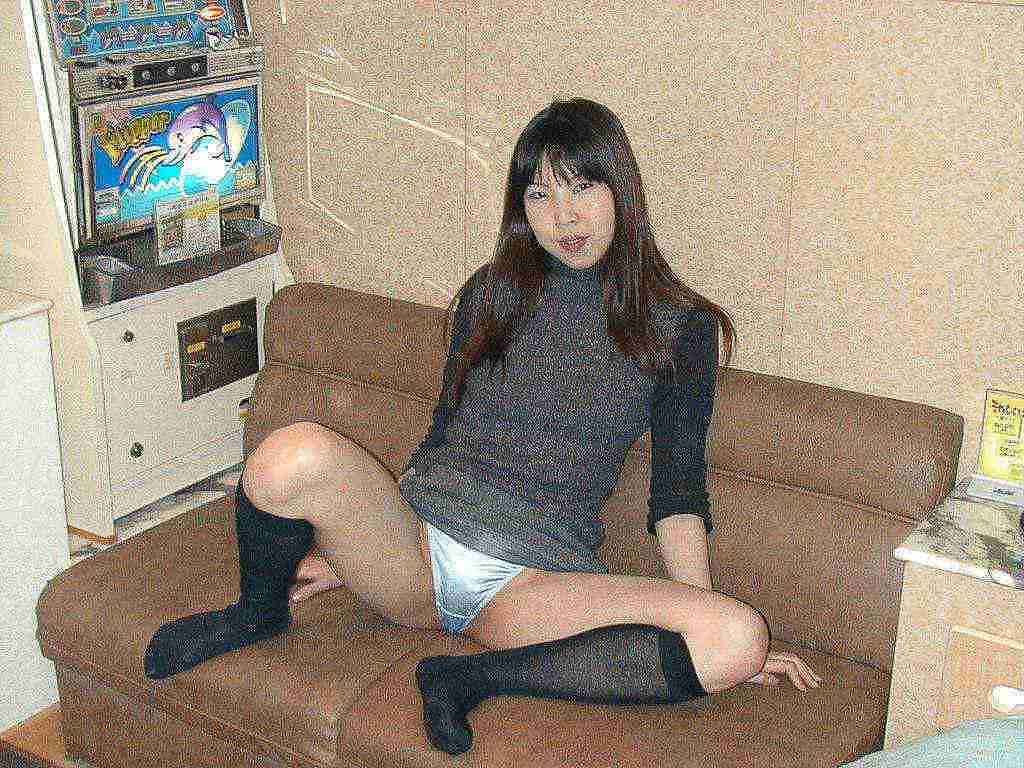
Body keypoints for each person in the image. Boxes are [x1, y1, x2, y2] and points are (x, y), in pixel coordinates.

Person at [143, 97, 822, 756]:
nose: (563, 217)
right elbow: (443, 433)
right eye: (540, 195)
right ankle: (257, 612)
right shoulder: (492, 294)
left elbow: (677, 494)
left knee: (736, 637)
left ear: (622, 191)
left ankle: (468, 678)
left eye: (582, 188)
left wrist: (692, 612)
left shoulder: (680, 327)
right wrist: (352, 551)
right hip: (418, 552)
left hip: (530, 583)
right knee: (288, 454)